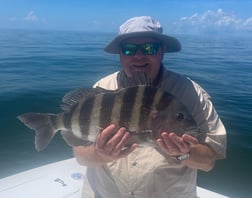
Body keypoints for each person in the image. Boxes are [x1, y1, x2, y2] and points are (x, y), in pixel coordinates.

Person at [73, 16, 226, 198]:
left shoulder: (191, 93)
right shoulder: (102, 90)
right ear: (121, 54)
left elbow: (209, 160)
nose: (139, 56)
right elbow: (81, 156)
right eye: (129, 49)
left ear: (162, 50)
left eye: (149, 48)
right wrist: (100, 154)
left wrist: (185, 153)